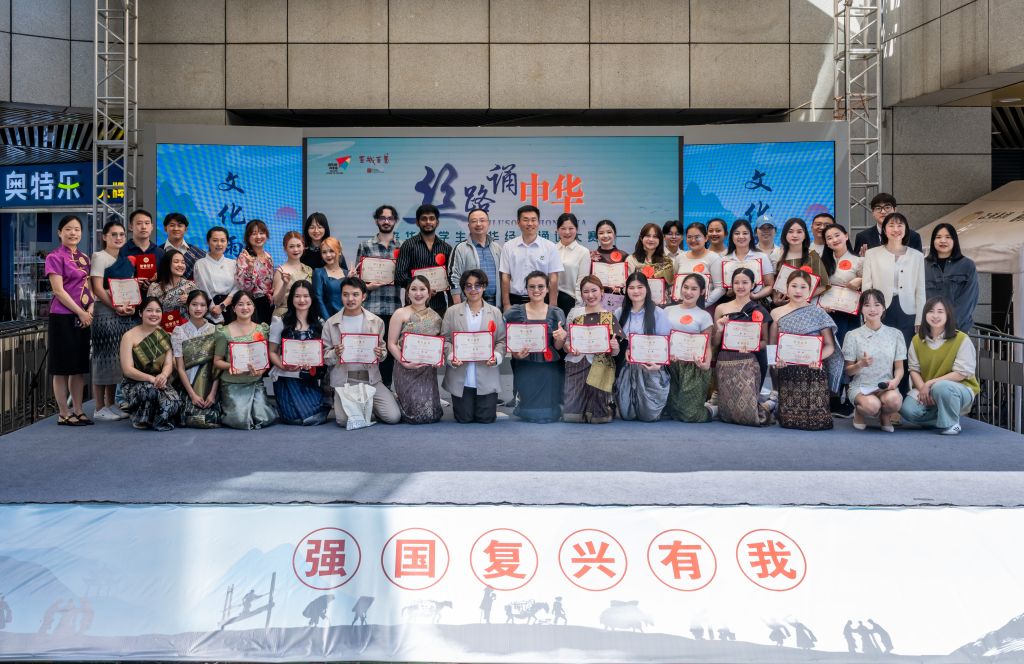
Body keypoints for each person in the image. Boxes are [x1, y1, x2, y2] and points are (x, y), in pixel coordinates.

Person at [322, 277, 400, 426]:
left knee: (393, 417)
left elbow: (383, 352)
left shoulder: (376, 321)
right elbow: (325, 358)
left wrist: (381, 354)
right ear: (341, 296)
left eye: (355, 294)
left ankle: (366, 405)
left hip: (370, 379)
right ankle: (362, 407)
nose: (350, 299)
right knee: (344, 421)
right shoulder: (331, 323)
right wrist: (335, 353)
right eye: (345, 294)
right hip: (345, 380)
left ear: (364, 296)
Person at [770, 270, 842, 430]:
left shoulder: (818, 313)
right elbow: (772, 345)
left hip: (813, 370)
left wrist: (817, 358)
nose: (798, 291)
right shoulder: (776, 313)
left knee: (818, 422)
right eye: (794, 286)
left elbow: (830, 345)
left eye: (803, 287)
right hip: (787, 370)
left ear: (810, 290)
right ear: (786, 288)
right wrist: (776, 362)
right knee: (788, 421)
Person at [900, 296, 979, 435]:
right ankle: (943, 417)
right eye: (931, 311)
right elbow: (914, 370)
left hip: (959, 389)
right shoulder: (917, 340)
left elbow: (961, 373)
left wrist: (930, 383)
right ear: (925, 315)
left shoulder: (961, 339)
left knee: (941, 387)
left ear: (948, 314)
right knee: (908, 410)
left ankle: (951, 424)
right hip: (928, 389)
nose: (935, 316)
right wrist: (923, 389)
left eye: (940, 311)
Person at [46, 214, 94, 426]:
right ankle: (64, 413)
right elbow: (58, 291)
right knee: (61, 368)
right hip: (62, 317)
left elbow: (89, 287)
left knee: (78, 367)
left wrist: (90, 309)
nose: (73, 233)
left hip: (83, 316)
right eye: (68, 229)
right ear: (60, 233)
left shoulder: (85, 258)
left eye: (77, 229)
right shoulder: (54, 257)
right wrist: (80, 312)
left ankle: (79, 410)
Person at [442, 270, 507, 423]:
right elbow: (445, 339)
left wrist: (496, 356)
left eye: (477, 286)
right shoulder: (452, 312)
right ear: (463, 288)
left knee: (486, 418)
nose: (473, 290)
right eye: (468, 286)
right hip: (460, 373)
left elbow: (502, 341)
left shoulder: (495, 312)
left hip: (486, 372)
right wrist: (451, 356)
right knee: (464, 418)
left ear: (484, 287)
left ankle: (491, 407)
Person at [712, 268, 773, 426]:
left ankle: (767, 405)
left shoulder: (760, 310)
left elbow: (765, 341)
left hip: (750, 360)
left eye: (745, 282)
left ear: (752, 285)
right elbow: (715, 343)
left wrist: (751, 346)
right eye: (736, 282)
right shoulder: (721, 308)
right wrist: (719, 330)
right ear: (731, 285)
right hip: (726, 360)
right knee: (728, 408)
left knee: (748, 410)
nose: (740, 286)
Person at [861, 212, 927, 359]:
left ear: (906, 229)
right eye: (891, 225)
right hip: (880, 308)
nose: (895, 229)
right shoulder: (872, 254)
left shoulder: (917, 256)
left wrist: (920, 319)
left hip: (908, 311)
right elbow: (867, 286)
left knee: (906, 352)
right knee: (881, 352)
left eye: (899, 225)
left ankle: (903, 376)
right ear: (884, 230)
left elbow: (920, 289)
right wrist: (867, 313)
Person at [503, 271, 567, 422]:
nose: (536, 290)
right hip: (525, 366)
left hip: (549, 368)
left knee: (548, 414)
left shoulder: (557, 313)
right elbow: (506, 339)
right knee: (529, 413)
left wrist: (561, 338)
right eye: (531, 287)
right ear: (526, 289)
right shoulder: (514, 313)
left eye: (540, 286)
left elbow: (558, 347)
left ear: (547, 288)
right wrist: (515, 354)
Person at [212, 291, 278, 429]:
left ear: (254, 307)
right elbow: (217, 361)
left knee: (264, 418)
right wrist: (231, 366)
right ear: (233, 308)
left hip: (254, 382)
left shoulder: (262, 329)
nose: (245, 308)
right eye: (240, 304)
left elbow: (265, 360)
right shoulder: (224, 332)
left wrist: (260, 372)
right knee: (239, 420)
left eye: (249, 304)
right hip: (232, 383)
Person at [89, 220, 134, 422]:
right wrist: (115, 306)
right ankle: (99, 406)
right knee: (102, 358)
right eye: (114, 234)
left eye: (122, 234)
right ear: (104, 237)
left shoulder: (125, 259)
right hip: (104, 311)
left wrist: (127, 306)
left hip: (122, 313)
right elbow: (98, 289)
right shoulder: (99, 257)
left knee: (115, 358)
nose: (118, 238)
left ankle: (110, 403)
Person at [843, 289, 905, 432]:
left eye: (877, 305)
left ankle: (885, 415)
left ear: (883, 308)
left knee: (895, 401)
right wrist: (861, 364)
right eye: (867, 305)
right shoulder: (852, 335)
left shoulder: (895, 334)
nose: (872, 309)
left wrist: (895, 381)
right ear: (861, 309)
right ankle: (859, 412)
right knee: (872, 406)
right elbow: (848, 371)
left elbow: (899, 368)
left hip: (885, 386)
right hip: (861, 387)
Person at [268, 280, 329, 426]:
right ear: (291, 299)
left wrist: (314, 364)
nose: (302, 300)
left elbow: (323, 353)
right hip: (286, 377)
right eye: (297, 296)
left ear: (312, 298)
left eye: (306, 296)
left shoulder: (319, 323)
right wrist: (283, 366)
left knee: (313, 414)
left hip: (308, 377)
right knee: (292, 417)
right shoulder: (280, 321)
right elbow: (272, 352)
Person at [563, 275, 622, 424]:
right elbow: (566, 343)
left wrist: (615, 347)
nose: (590, 295)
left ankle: (605, 406)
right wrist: (569, 348)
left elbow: (615, 352)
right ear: (581, 294)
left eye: (594, 290)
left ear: (601, 291)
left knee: (599, 417)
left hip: (600, 365)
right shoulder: (574, 313)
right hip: (576, 362)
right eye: (586, 291)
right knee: (572, 416)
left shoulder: (610, 315)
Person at [117, 297, 182, 430]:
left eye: (158, 311)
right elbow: (127, 370)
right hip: (135, 383)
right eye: (149, 310)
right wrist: (151, 379)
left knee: (175, 402)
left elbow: (168, 364)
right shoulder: (129, 336)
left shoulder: (165, 335)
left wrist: (163, 375)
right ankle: (140, 417)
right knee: (149, 391)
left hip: (159, 381)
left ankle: (155, 417)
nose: (154, 314)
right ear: (141, 313)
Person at [356, 204, 403, 388]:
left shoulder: (402, 247)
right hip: (371, 308)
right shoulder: (365, 246)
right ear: (376, 220)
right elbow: (358, 282)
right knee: (370, 349)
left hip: (394, 308)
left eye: (390, 218)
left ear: (395, 221)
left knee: (389, 352)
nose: (386, 221)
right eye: (382, 218)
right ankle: (368, 389)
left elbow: (405, 277)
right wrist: (367, 287)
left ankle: (387, 389)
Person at [388, 274, 444, 424]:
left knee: (430, 415)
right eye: (413, 289)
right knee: (413, 414)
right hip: (405, 368)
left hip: (426, 370)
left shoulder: (436, 317)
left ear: (429, 292)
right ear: (408, 293)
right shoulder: (400, 314)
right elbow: (391, 344)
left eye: (422, 289)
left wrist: (438, 359)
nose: (418, 293)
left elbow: (439, 345)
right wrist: (404, 362)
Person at [615, 272, 671, 422]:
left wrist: (658, 365)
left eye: (640, 287)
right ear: (626, 290)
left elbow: (665, 345)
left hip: (651, 367)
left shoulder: (658, 313)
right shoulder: (619, 313)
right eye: (631, 287)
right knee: (627, 415)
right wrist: (624, 350)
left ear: (647, 288)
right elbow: (616, 342)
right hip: (627, 367)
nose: (636, 291)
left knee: (649, 416)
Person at [665, 273, 714, 422]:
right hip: (670, 365)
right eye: (685, 287)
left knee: (690, 415)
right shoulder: (668, 311)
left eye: (694, 289)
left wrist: (706, 364)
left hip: (693, 367)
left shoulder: (704, 316)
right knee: (670, 411)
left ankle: (713, 409)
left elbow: (707, 345)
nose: (688, 292)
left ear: (702, 292)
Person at [171, 289, 222, 428]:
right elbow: (180, 368)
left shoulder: (216, 330)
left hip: (210, 385)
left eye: (202, 305)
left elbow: (217, 366)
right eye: (194, 304)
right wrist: (192, 395)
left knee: (211, 416)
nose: (198, 308)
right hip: (187, 385)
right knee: (189, 417)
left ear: (207, 308)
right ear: (188, 306)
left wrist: (212, 394)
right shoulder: (179, 331)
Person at [500, 205, 564, 309]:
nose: (530, 223)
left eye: (533, 220)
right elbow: (505, 277)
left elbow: (553, 278)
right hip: (516, 300)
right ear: (518, 222)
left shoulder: (550, 247)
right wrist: (506, 304)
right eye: (525, 220)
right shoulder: (508, 246)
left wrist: (553, 304)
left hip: (542, 300)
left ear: (538, 222)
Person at [395, 204, 454, 316]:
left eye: (432, 218)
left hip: (439, 306)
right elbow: (399, 276)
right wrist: (422, 289)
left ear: (437, 222)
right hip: (414, 306)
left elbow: (451, 279)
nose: (428, 222)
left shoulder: (446, 248)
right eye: (424, 219)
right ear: (417, 223)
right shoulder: (408, 245)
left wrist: (452, 306)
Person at [925, 223, 979, 332]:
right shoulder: (923, 266)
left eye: (948, 237)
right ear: (933, 241)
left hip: (958, 329)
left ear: (955, 240)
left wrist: (949, 325)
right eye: (938, 237)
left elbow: (968, 300)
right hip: (929, 329)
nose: (943, 241)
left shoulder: (967, 265)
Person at [450, 207, 504, 309]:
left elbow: (504, 277)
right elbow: (454, 277)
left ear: (488, 223)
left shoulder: (497, 248)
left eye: (482, 220)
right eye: (474, 221)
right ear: (469, 225)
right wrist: (458, 306)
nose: (478, 224)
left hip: (495, 306)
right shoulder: (460, 248)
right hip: (469, 306)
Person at [821, 222, 863, 345]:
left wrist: (861, 279)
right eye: (829, 238)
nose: (834, 240)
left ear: (846, 236)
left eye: (837, 235)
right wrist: (822, 305)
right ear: (826, 243)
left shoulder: (859, 261)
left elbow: (869, 284)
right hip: (827, 313)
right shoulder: (821, 263)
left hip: (849, 313)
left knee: (847, 346)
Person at [773, 217, 829, 305]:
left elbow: (824, 285)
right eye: (790, 231)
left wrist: (802, 297)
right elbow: (773, 284)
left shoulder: (812, 255)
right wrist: (776, 299)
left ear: (805, 235)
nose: (795, 235)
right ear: (785, 234)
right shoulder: (777, 255)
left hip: (806, 306)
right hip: (783, 306)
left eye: (799, 232)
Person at [721, 219, 776, 304]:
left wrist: (756, 296)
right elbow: (721, 288)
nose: (741, 236)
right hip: (731, 303)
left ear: (751, 236)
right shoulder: (725, 259)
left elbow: (770, 286)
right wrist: (728, 293)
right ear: (732, 236)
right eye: (737, 233)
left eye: (745, 233)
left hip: (756, 304)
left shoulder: (761, 257)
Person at [191, 226, 236, 324]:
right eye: (215, 240)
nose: (219, 244)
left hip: (230, 307)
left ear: (227, 243)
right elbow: (202, 289)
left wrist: (223, 305)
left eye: (223, 241)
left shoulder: (233, 263)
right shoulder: (200, 264)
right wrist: (215, 313)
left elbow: (237, 287)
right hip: (210, 309)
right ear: (208, 242)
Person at [853, 193, 923, 255]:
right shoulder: (862, 237)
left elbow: (918, 262)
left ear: (895, 210)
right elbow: (856, 262)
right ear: (873, 212)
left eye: (887, 207)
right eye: (878, 208)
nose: (883, 211)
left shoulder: (913, 236)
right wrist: (862, 259)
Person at [674, 222, 724, 306]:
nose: (693, 240)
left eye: (697, 237)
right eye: (689, 237)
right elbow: (675, 283)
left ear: (706, 238)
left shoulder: (714, 258)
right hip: (681, 306)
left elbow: (720, 289)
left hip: (705, 307)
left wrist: (703, 304)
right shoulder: (680, 258)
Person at [234, 219, 275, 324]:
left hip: (269, 303)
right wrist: (250, 267)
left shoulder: (268, 256)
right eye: (254, 233)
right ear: (248, 237)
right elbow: (244, 287)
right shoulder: (244, 257)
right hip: (252, 303)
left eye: (261, 233)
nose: (258, 237)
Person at [626, 223, 675, 303]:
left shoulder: (666, 261)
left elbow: (671, 287)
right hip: (638, 304)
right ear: (641, 238)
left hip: (662, 305)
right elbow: (627, 286)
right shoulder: (631, 260)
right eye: (648, 236)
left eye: (655, 236)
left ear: (660, 240)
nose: (651, 239)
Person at [118, 208, 165, 291]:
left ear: (152, 227)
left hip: (156, 298)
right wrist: (132, 282)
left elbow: (168, 280)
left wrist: (159, 279)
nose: (143, 227)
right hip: (128, 297)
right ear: (131, 227)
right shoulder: (120, 251)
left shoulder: (160, 252)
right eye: (139, 223)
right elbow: (113, 280)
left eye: (147, 223)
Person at [271, 231, 313, 318]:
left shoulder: (308, 269)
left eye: (298, 246)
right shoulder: (281, 271)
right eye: (291, 246)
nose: (296, 249)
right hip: (285, 315)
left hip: (304, 315)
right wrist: (285, 284)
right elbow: (276, 302)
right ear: (285, 249)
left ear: (303, 247)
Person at [555, 212, 590, 316]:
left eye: (571, 228)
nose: (567, 232)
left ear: (577, 229)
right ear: (557, 230)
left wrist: (578, 306)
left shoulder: (583, 252)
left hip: (571, 301)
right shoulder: (551, 249)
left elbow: (582, 281)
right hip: (551, 299)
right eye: (563, 228)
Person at [147, 249, 196, 321]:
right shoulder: (154, 287)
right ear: (167, 264)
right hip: (160, 325)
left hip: (185, 325)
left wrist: (191, 301)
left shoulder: (190, 286)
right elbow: (149, 311)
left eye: (183, 262)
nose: (180, 265)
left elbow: (199, 309)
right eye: (176, 262)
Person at [161, 212, 205, 279]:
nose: (176, 229)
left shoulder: (197, 253)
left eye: (180, 226)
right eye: (172, 225)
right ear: (165, 228)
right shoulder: (158, 251)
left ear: (186, 229)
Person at [312, 237, 347, 320]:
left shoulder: (347, 273)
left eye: (331, 251)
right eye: (324, 252)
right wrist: (329, 321)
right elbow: (318, 298)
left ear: (339, 252)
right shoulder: (319, 272)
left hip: (347, 318)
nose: (328, 255)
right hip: (328, 320)